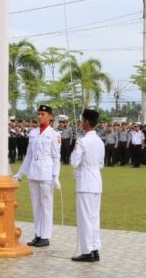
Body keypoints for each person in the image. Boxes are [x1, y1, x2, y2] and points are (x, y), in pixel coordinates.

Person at [14, 105, 61, 247]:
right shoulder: (33, 133)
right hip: (34, 172)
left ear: (50, 117)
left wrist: (55, 176)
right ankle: (38, 234)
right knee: (36, 205)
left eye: (43, 114)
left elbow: (56, 157)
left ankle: (45, 236)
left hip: (46, 173)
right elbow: (28, 155)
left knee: (46, 205)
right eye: (38, 113)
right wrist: (20, 173)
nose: (39, 116)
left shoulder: (54, 135)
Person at [70, 109, 104, 262]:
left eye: (82, 120)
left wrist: (76, 147)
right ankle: (95, 248)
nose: (81, 123)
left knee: (85, 218)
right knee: (94, 216)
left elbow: (74, 162)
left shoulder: (82, 141)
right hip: (96, 180)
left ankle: (87, 251)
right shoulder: (99, 141)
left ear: (86, 122)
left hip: (85, 181)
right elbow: (101, 164)